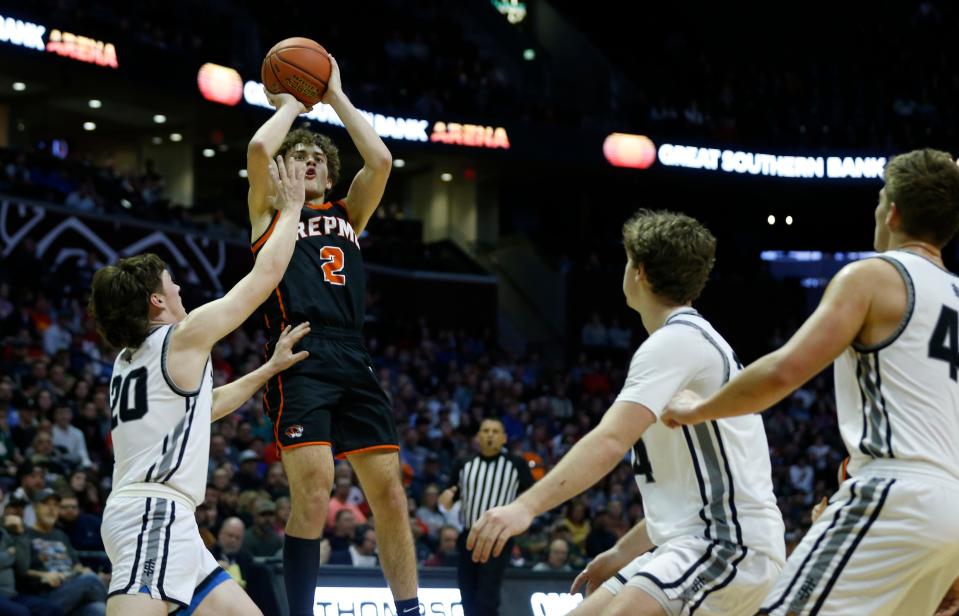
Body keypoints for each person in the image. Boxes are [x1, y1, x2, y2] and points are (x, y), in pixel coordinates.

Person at [664, 148, 959, 615]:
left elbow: (784, 370)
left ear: (893, 212)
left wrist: (697, 408)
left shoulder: (874, 276)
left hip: (898, 492)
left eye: (880, 199)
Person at [468, 210, 785, 616]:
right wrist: (621, 552)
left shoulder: (677, 342)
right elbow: (684, 501)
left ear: (640, 273)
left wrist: (524, 507)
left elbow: (611, 439)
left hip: (729, 545)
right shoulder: (684, 342)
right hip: (689, 541)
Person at [87, 154, 310, 616]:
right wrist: (291, 210)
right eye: (172, 285)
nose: (181, 290)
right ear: (155, 300)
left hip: (168, 519)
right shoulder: (181, 337)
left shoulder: (130, 360)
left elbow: (201, 410)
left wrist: (267, 369)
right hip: (154, 513)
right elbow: (263, 279)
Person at [246, 52, 418, 616]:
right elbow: (257, 149)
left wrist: (335, 94)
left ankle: (410, 609)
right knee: (315, 489)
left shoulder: (349, 212)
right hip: (300, 349)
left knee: (390, 494)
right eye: (299, 154)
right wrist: (294, 101)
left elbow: (382, 159)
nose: (309, 159)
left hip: (353, 350)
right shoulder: (270, 211)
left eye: (319, 154)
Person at [439, 418, 532, 616]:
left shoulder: (517, 465)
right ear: (478, 437)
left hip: (498, 538)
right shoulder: (463, 464)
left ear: (504, 438)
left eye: (495, 431)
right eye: (486, 430)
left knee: (486, 599)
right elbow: (446, 500)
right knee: (467, 595)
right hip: (468, 537)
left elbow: (531, 498)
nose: (490, 435)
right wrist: (444, 499)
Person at [18, 489, 106, 616]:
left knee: (98, 608)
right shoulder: (25, 534)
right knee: (90, 581)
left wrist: (83, 569)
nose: (51, 509)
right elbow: (20, 569)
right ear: (35, 507)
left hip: (72, 588)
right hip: (47, 594)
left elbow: (75, 564)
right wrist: (42, 575)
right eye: (46, 504)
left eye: (55, 505)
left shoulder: (60, 535)